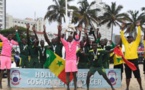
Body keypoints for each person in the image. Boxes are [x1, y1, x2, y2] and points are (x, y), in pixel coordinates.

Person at [120, 22, 143, 90]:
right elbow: (122, 36)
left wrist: (138, 26)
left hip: (134, 61)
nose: (129, 39)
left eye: (130, 38)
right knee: (127, 76)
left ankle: (141, 87)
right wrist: (122, 28)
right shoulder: (125, 43)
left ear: (133, 39)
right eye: (128, 38)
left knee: (137, 75)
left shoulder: (136, 43)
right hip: (127, 61)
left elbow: (139, 35)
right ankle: (127, 87)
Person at [59, 25, 81, 90]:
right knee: (67, 74)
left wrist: (75, 30)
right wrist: (63, 31)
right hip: (68, 61)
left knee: (74, 74)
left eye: (71, 37)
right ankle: (68, 87)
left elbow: (77, 37)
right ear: (67, 39)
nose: (70, 38)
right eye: (69, 37)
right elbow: (61, 38)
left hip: (73, 60)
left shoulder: (75, 43)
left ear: (72, 39)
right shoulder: (65, 43)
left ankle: (75, 87)